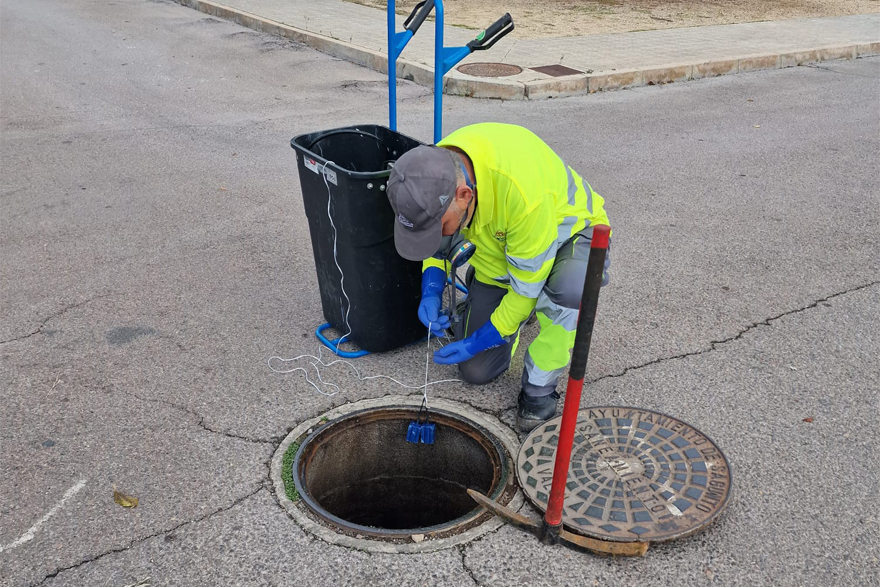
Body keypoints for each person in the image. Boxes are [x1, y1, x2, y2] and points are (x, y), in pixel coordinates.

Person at [387, 123, 611, 432]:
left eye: (441, 226)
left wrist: (479, 340)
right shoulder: (431, 170)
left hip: (569, 237)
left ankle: (540, 386)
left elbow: (524, 291)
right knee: (476, 371)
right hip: (505, 254)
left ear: (465, 195)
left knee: (571, 290)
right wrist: (432, 289)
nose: (439, 234)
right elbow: (432, 238)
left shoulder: (523, 195)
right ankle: (504, 308)